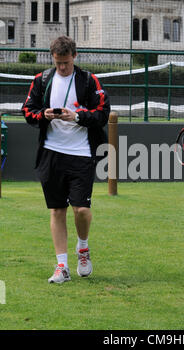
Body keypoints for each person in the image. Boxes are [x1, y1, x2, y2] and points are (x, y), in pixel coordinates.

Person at [22, 36, 110, 284]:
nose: (62, 67)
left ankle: (83, 247)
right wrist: (44, 115)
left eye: (66, 63)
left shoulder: (88, 80)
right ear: (53, 58)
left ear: (75, 56)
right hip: (51, 153)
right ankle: (62, 266)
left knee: (81, 209)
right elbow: (28, 111)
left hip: (81, 153)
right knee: (57, 209)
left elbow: (102, 113)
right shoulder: (42, 80)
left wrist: (78, 116)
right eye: (58, 62)